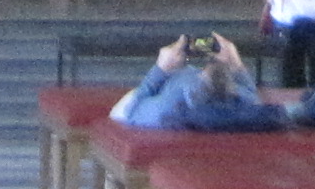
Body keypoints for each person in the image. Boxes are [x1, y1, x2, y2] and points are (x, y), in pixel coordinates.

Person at [107, 34, 290, 132]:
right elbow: (252, 98)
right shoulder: (241, 102)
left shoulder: (172, 106)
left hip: (163, 99)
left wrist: (161, 68)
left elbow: (129, 111)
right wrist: (236, 64)